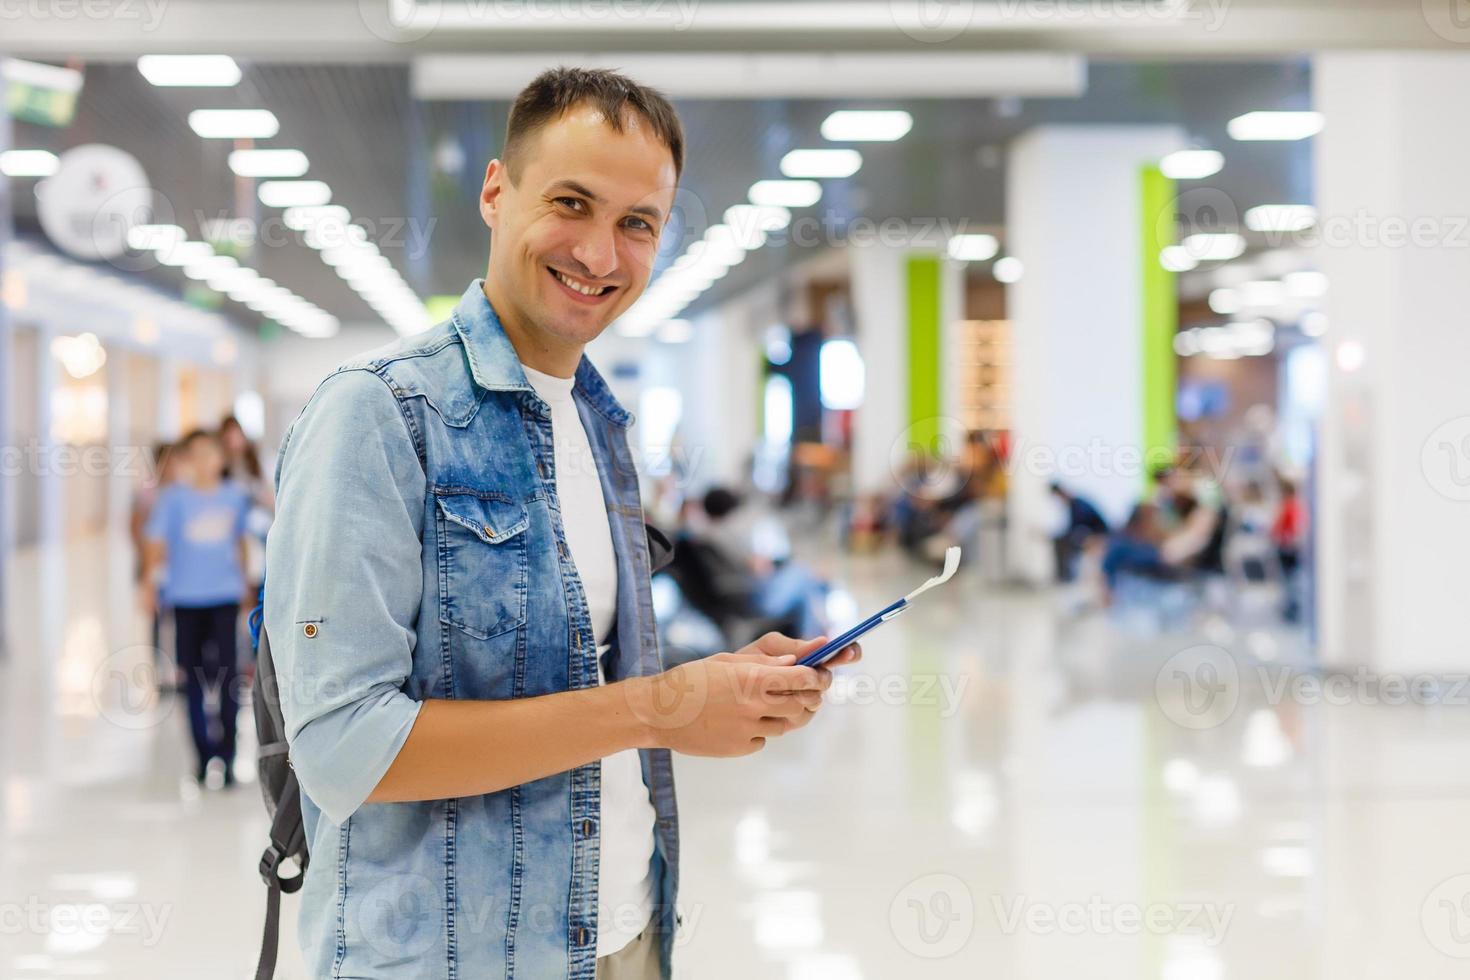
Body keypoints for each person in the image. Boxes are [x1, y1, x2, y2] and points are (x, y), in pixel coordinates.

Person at [265, 68, 859, 980]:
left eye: (637, 223)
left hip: (624, 934)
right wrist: (659, 710)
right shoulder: (379, 413)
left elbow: (587, 684)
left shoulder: (595, 421)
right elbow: (344, 748)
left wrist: (718, 688)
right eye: (571, 203)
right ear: (497, 192)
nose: (598, 251)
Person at [142, 429, 252, 786]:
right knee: (191, 679)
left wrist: (246, 588)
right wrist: (148, 585)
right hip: (186, 600)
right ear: (186, 460)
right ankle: (203, 755)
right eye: (197, 454)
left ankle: (229, 753)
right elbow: (156, 545)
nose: (205, 461)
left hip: (224, 597)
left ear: (221, 459)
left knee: (226, 676)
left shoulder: (235, 496)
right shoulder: (173, 500)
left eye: (212, 453)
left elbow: (240, 543)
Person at [1049, 481, 1109, 583]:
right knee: (1063, 542)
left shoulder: (1077, 505)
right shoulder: (1075, 504)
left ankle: (1065, 576)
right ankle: (1066, 576)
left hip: (1099, 536)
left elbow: (1075, 527)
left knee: (1062, 543)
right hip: (1093, 534)